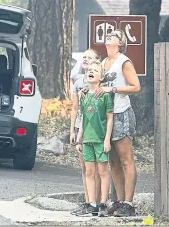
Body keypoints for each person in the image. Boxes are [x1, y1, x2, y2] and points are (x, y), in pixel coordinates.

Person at [83, 29, 141, 217]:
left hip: (121, 113)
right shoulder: (103, 63)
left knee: (126, 159)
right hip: (105, 115)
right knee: (113, 161)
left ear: (120, 42)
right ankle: (119, 201)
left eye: (113, 35)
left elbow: (136, 87)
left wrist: (113, 89)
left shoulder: (124, 62)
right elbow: (97, 83)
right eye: (108, 35)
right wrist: (87, 90)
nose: (109, 36)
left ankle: (129, 203)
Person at [75, 60, 114, 217]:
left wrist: (107, 140)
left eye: (95, 70)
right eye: (88, 70)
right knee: (89, 171)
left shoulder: (105, 96)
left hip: (100, 139)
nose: (90, 71)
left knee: (103, 171)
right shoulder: (83, 95)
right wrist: (79, 138)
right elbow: (83, 117)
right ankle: (92, 204)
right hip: (87, 140)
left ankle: (103, 203)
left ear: (101, 76)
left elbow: (110, 118)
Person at [70, 49, 102, 216]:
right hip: (80, 126)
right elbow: (75, 108)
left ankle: (96, 202)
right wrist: (72, 131)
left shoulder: (99, 83)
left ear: (97, 61)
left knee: (96, 168)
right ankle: (88, 201)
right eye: (84, 58)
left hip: (95, 128)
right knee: (84, 167)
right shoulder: (78, 83)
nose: (85, 60)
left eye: (89, 58)